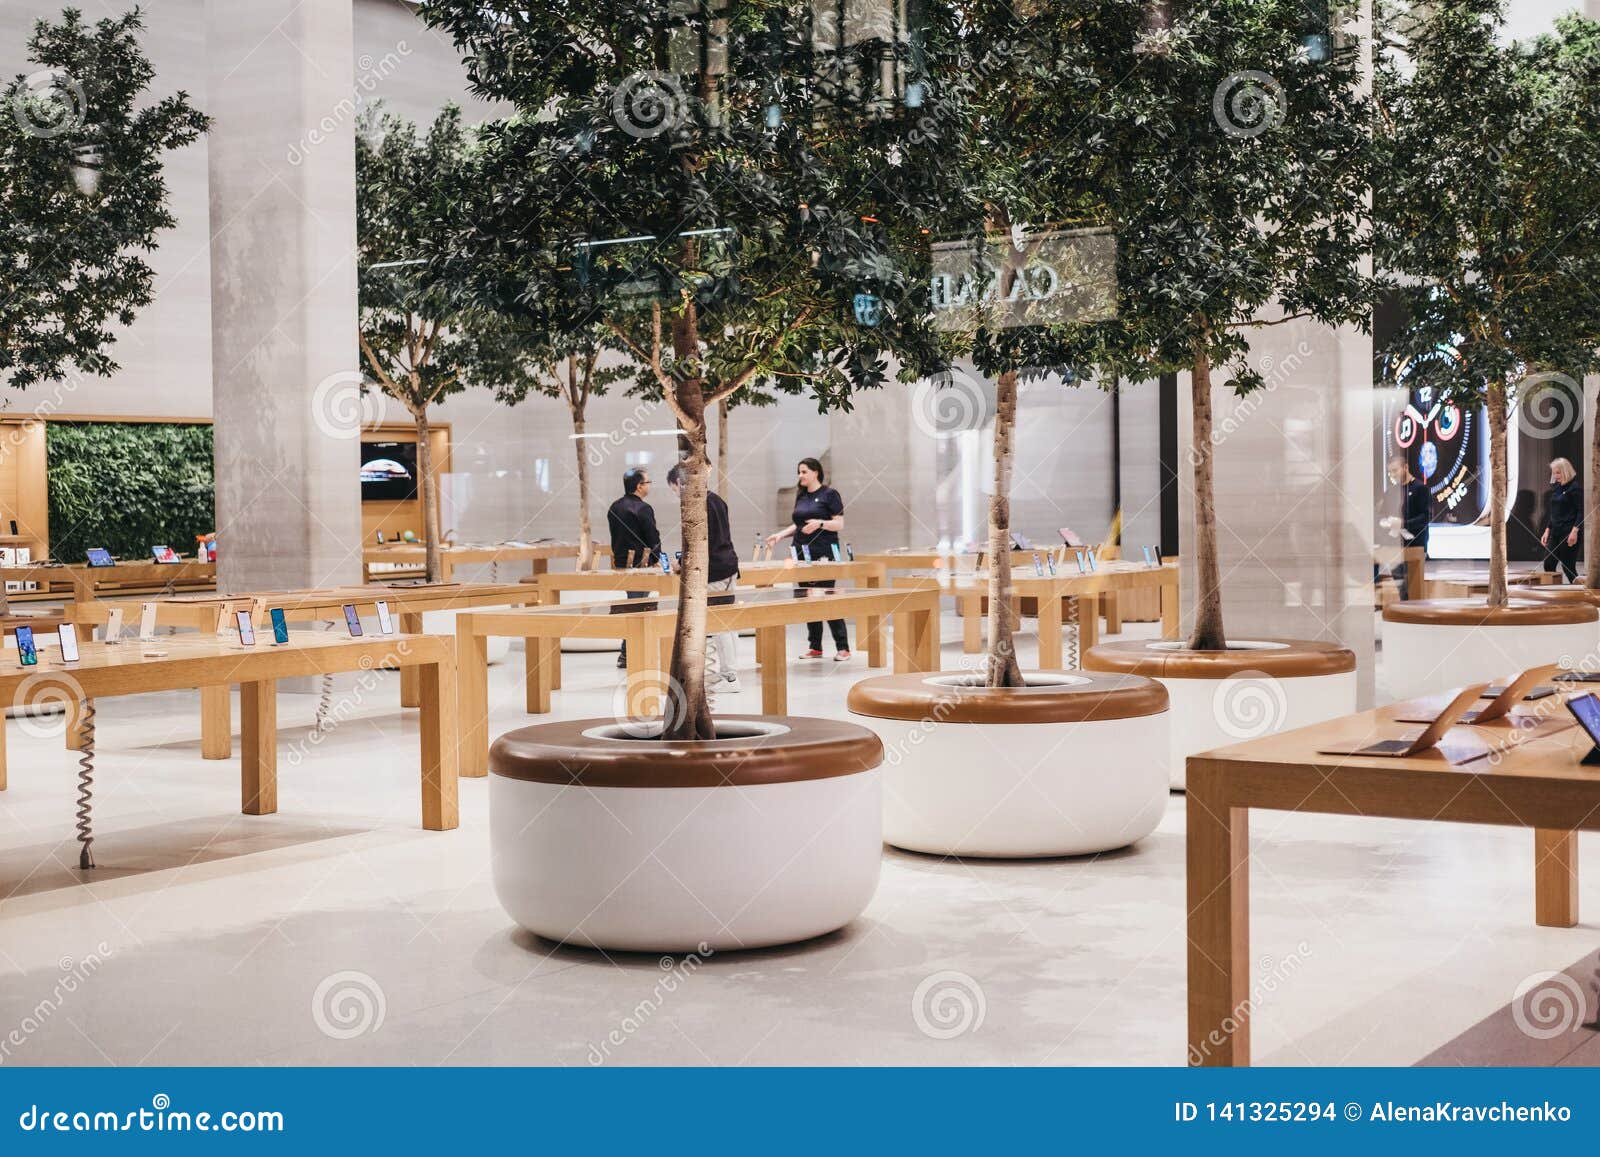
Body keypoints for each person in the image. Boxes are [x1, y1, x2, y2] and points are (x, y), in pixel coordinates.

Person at [765, 457, 850, 660]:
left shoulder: (830, 495)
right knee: (807, 597)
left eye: (804, 472)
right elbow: (798, 525)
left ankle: (843, 647)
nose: (800, 476)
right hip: (802, 553)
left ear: (816, 473)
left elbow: (839, 524)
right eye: (799, 472)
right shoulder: (801, 495)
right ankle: (816, 647)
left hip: (824, 554)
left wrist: (820, 523)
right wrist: (780, 535)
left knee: (826, 598)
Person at [667, 462, 741, 691]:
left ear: (680, 482)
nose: (677, 495)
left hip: (716, 571)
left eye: (675, 490)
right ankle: (729, 674)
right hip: (727, 566)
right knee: (726, 624)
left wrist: (681, 564)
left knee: (721, 626)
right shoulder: (716, 499)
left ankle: (730, 677)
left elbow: (699, 544)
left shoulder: (697, 505)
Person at [607, 466, 660, 667]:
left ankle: (629, 652)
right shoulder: (643, 509)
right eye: (648, 482)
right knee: (639, 608)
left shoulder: (614, 506)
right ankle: (628, 653)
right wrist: (660, 560)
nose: (650, 486)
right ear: (639, 486)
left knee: (635, 605)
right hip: (642, 565)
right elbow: (653, 538)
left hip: (622, 564)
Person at [1380, 456, 1430, 600]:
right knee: (1400, 584)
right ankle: (1405, 608)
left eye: (1395, 470)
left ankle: (1413, 611)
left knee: (1411, 585)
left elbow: (1425, 518)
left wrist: (1403, 524)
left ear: (1406, 467)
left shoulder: (1421, 489)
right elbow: (1382, 514)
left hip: (1415, 544)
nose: (1393, 475)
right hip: (1394, 545)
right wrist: (1385, 523)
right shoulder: (1390, 492)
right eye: (1390, 473)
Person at [1541, 457, 1582, 583]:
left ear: (1565, 471)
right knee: (1548, 563)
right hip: (1555, 532)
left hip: (1569, 532)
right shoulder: (1557, 489)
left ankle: (1581, 592)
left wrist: (1574, 531)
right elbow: (1554, 512)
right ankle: (1552, 593)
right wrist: (1547, 530)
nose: (1555, 475)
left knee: (1568, 567)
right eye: (1554, 472)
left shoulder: (1575, 489)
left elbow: (1581, 512)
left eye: (1558, 472)